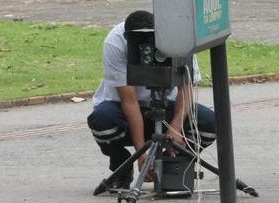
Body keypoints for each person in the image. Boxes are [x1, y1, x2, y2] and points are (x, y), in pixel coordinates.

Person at [86, 10, 217, 192]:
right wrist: (141, 155)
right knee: (101, 120)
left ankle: (173, 163)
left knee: (210, 124)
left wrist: (175, 127)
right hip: (123, 111)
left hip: (168, 107)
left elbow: (186, 87)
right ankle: (121, 167)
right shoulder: (115, 41)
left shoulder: (178, 38)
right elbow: (129, 100)